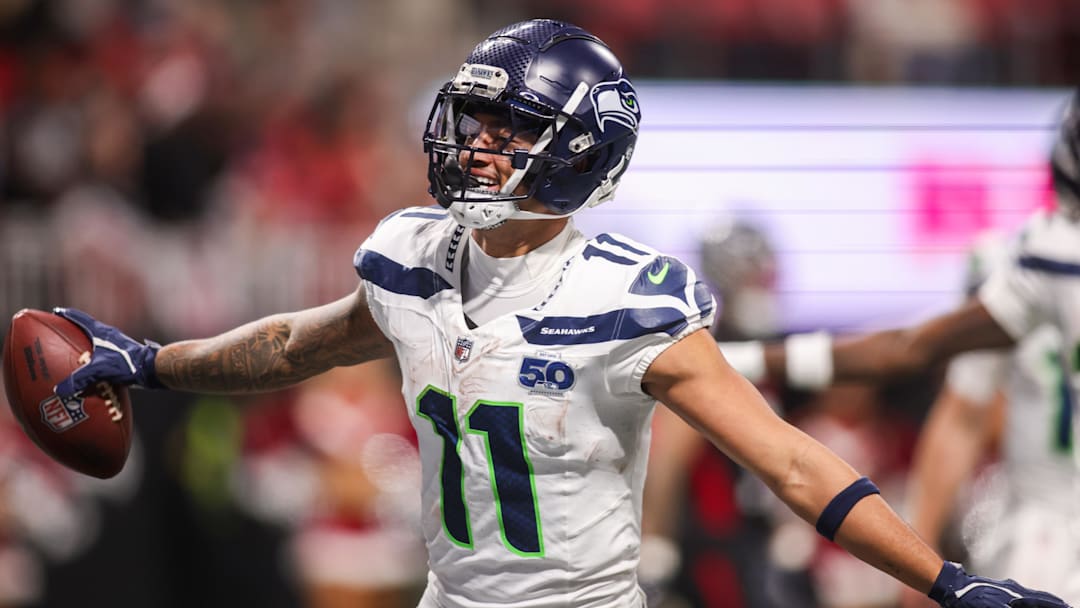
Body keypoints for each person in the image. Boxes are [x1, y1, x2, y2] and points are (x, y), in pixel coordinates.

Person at [45, 19, 1070, 608]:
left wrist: (943, 581)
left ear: (580, 150)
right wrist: (154, 362)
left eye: (512, 126)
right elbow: (289, 344)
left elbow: (795, 462)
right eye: (476, 119)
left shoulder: (628, 300)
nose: (478, 143)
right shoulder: (412, 255)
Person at [900, 231, 1078, 608]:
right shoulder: (1012, 261)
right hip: (1041, 527)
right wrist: (920, 547)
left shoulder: (1016, 258)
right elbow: (965, 414)